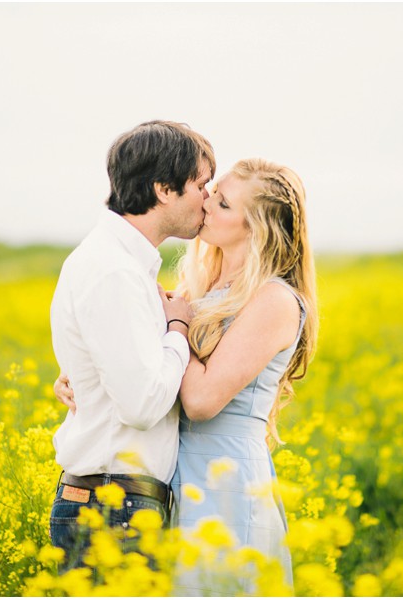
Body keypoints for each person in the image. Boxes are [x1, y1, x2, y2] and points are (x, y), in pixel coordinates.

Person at [56, 158, 318, 595]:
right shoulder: (203, 286)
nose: (206, 204)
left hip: (226, 478)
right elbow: (153, 369)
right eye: (211, 192)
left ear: (256, 227)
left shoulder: (274, 299)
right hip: (177, 474)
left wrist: (175, 326)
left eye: (223, 203)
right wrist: (95, 376)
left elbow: (199, 400)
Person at [47, 120, 215, 569]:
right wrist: (178, 330)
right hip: (111, 507)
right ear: (163, 188)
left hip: (113, 502)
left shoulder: (120, 262)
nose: (208, 198)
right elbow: (141, 405)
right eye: (201, 184)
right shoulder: (115, 271)